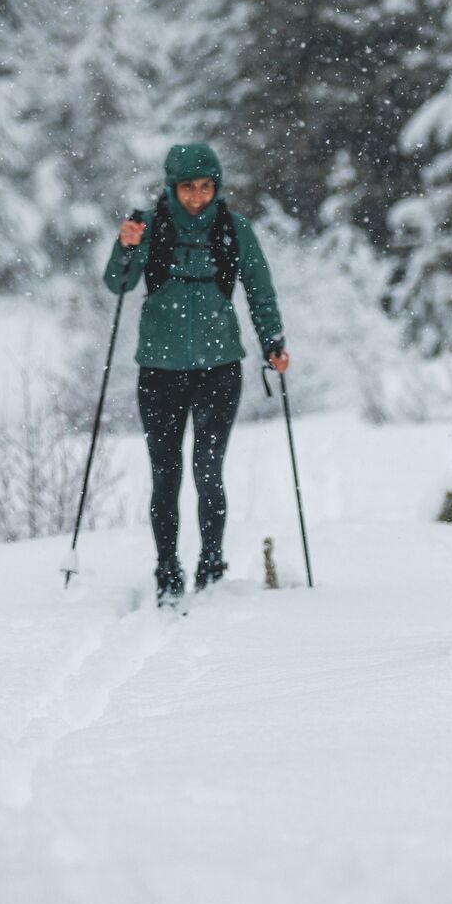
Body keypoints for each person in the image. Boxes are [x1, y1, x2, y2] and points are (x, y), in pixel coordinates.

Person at [105, 142, 289, 605]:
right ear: (172, 187)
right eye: (189, 187)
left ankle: (212, 564)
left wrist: (273, 343)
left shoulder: (233, 228)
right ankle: (167, 569)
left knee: (209, 471)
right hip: (159, 373)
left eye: (206, 187)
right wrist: (124, 246)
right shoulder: (146, 226)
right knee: (165, 475)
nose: (197, 197)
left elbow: (259, 289)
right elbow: (118, 283)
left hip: (220, 370)